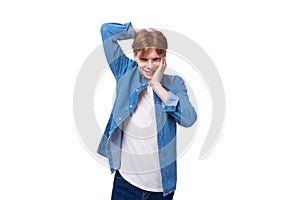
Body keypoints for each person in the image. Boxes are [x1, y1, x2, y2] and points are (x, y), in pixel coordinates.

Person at [97, 22, 197, 200]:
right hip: (125, 182)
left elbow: (188, 119)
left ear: (164, 57)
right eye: (144, 59)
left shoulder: (174, 84)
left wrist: (157, 85)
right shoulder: (125, 72)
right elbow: (107, 30)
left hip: (160, 188)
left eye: (155, 59)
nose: (150, 66)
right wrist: (143, 34)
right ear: (135, 56)